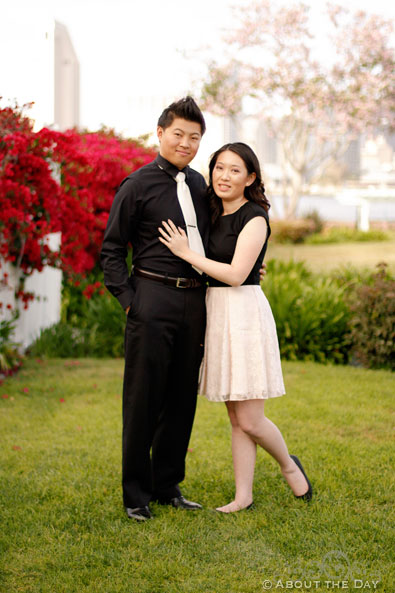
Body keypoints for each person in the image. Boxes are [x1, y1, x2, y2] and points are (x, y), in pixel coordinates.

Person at [159, 142, 313, 512]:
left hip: (243, 314)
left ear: (251, 177)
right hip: (216, 313)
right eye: (219, 168)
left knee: (250, 417)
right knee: (236, 417)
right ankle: (243, 495)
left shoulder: (255, 216)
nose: (224, 176)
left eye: (234, 170)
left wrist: (186, 253)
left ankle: (289, 465)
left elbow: (236, 274)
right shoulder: (211, 212)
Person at [100, 97, 209, 521]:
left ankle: (167, 485)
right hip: (151, 298)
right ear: (160, 133)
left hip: (194, 301)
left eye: (194, 137)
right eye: (178, 134)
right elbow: (111, 249)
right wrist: (130, 301)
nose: (186, 143)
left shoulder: (200, 185)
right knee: (143, 398)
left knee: (182, 397)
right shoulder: (137, 185)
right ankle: (135, 494)